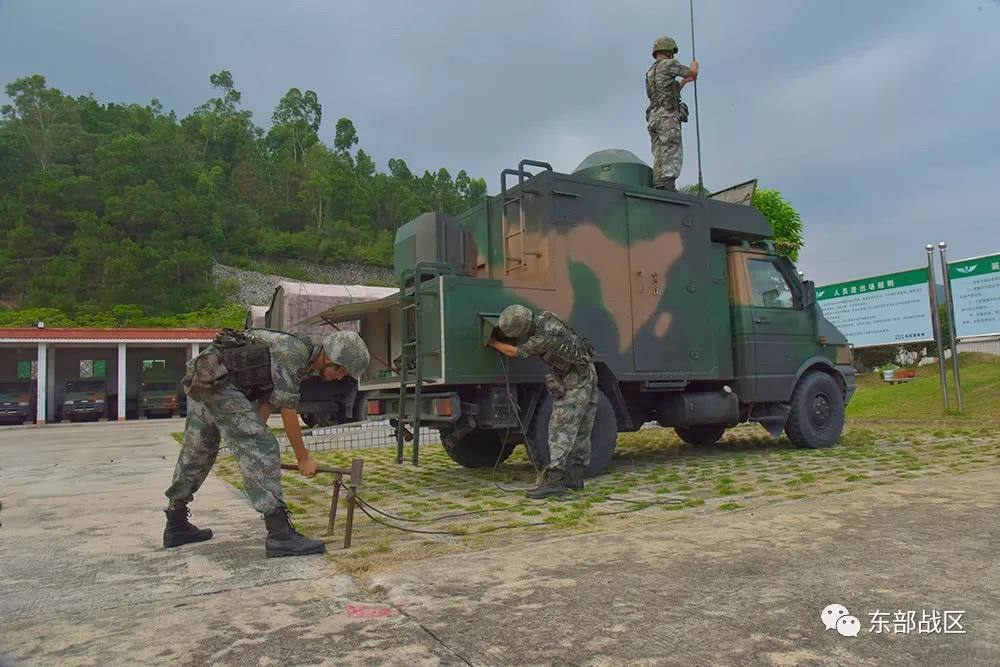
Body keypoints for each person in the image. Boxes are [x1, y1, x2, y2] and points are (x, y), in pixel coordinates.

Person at [161, 327, 370, 558]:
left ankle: (176, 523)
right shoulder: (294, 353)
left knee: (199, 448)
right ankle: (280, 534)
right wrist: (302, 458)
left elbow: (268, 399)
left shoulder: (302, 361)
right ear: (331, 358)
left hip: (206, 375)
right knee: (263, 445)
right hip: (217, 379)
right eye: (342, 371)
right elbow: (288, 411)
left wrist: (252, 436)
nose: (340, 378)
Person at [488, 305, 598, 499]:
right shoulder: (547, 318)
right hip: (588, 374)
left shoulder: (542, 338)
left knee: (559, 430)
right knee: (582, 430)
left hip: (576, 382)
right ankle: (576, 478)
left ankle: (555, 481)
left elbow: (515, 352)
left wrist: (493, 342)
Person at [646, 35, 699, 192]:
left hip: (654, 116)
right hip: (667, 116)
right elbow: (692, 73)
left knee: (659, 151)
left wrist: (682, 83)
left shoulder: (650, 72)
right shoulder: (669, 64)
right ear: (668, 51)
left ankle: (660, 184)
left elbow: (663, 93)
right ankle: (669, 185)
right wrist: (694, 67)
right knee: (671, 147)